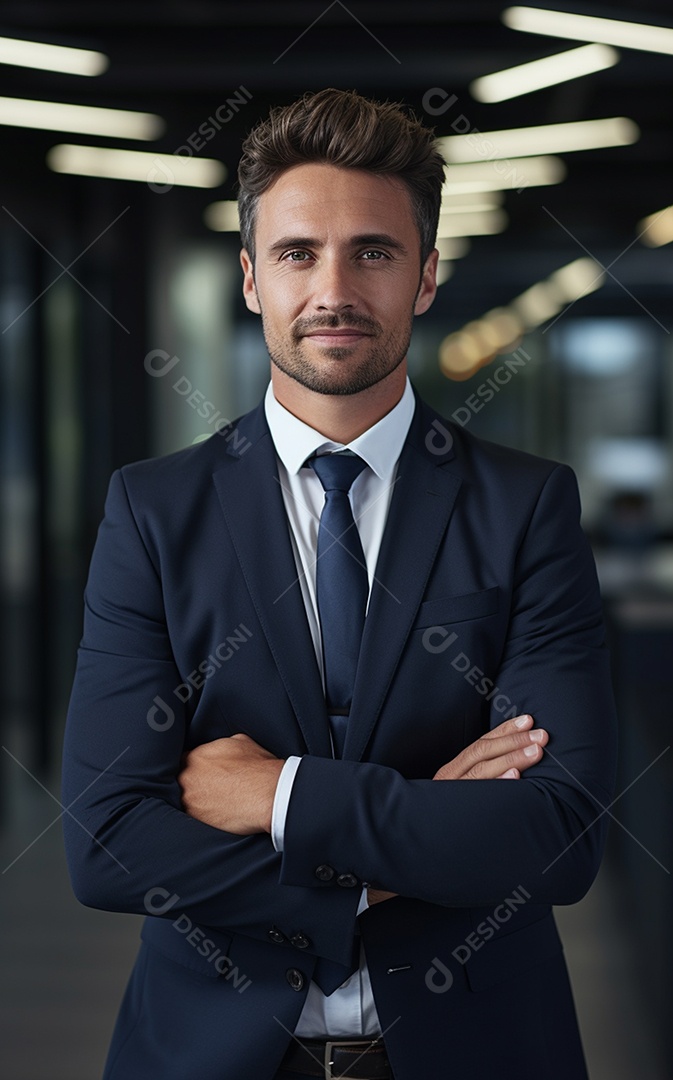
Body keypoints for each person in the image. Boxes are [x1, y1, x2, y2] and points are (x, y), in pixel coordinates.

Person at [62, 88, 618, 1080]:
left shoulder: (526, 507)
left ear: (427, 275)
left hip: (479, 1051)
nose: (332, 290)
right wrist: (385, 867)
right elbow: (107, 844)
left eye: (373, 251)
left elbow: (557, 836)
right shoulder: (152, 512)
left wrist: (277, 794)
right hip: (208, 1057)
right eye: (295, 253)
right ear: (248, 279)